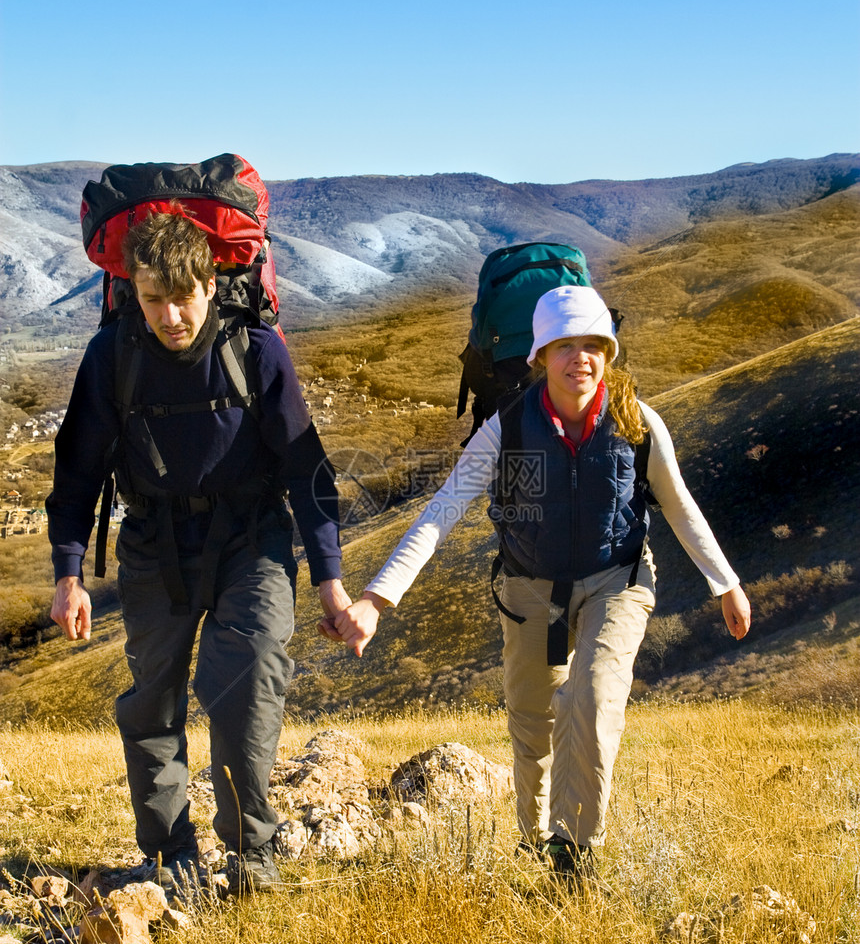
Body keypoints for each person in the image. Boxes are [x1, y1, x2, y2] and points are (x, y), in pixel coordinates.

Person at [334, 285, 751, 882]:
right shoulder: (507, 427)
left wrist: (725, 583)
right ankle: (535, 840)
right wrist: (376, 597)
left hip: (619, 576)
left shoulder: (637, 420)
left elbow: (678, 505)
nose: (580, 358)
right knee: (534, 721)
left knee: (594, 696)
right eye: (564, 346)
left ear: (608, 352)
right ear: (540, 356)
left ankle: (574, 853)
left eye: (592, 345)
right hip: (530, 585)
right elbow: (442, 510)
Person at [47, 212, 352, 896]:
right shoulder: (112, 355)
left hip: (252, 537)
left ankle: (251, 852)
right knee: (152, 702)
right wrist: (69, 575)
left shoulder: (256, 348)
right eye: (153, 299)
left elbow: (309, 471)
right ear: (134, 293)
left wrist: (332, 582)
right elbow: (77, 473)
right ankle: (169, 857)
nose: (171, 315)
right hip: (155, 543)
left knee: (246, 677)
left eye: (183, 297)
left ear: (212, 284)